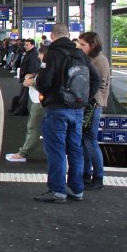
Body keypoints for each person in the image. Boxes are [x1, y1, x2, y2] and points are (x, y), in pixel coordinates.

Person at [33, 23, 100, 203]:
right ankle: (77, 189)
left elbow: (43, 82)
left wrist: (47, 93)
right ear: (69, 35)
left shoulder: (52, 54)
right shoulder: (80, 54)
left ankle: (57, 190)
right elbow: (95, 79)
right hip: (77, 109)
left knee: (56, 151)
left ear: (53, 36)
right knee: (75, 150)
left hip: (57, 109)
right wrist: (83, 98)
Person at [77, 31, 110, 191]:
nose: (79, 46)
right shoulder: (89, 59)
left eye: (82, 44)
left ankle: (98, 177)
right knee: (84, 140)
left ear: (93, 45)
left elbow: (100, 83)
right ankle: (86, 174)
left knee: (90, 140)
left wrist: (88, 98)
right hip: (87, 104)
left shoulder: (100, 60)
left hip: (94, 104)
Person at [6, 43, 48, 163]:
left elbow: (46, 84)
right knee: (43, 129)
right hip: (40, 101)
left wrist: (32, 82)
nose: (39, 56)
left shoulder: (47, 66)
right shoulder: (46, 65)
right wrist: (33, 77)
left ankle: (23, 153)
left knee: (33, 127)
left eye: (41, 53)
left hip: (40, 101)